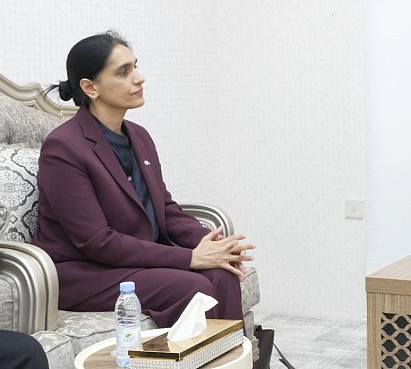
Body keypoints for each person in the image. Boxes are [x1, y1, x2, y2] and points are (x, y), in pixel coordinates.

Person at [32, 31, 253, 327]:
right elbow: (97, 241)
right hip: (85, 271)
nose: (139, 78)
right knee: (192, 287)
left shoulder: (139, 136)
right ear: (90, 87)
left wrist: (212, 245)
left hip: (133, 262)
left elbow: (165, 208)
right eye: (123, 72)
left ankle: (231, 354)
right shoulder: (63, 147)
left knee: (222, 273)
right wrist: (189, 258)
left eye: (135, 66)